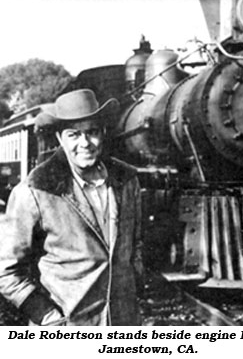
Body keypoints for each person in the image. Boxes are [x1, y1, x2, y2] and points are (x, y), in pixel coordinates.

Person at [0, 89, 143, 326]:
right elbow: (6, 271)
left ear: (103, 133)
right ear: (59, 138)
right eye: (74, 134)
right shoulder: (35, 191)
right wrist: (48, 318)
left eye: (92, 132)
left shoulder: (127, 181)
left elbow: (135, 245)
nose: (85, 143)